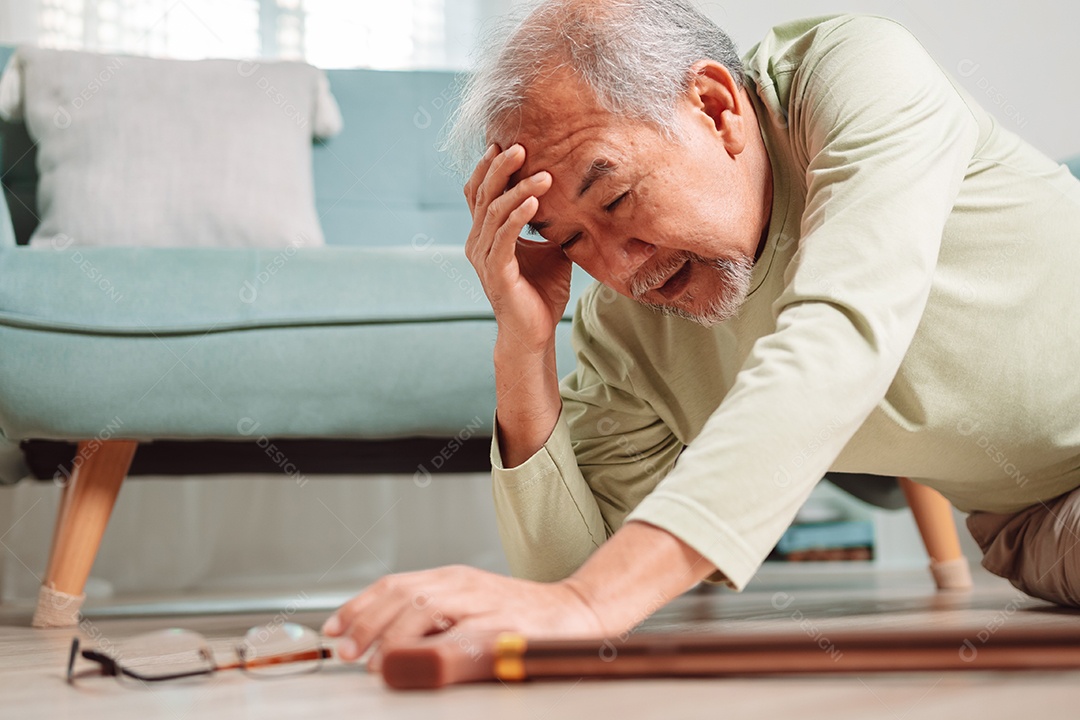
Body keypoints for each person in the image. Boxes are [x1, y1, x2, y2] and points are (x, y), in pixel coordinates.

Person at [322, 0, 1080, 666]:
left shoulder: (856, 75)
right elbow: (566, 584)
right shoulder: (629, 327)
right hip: (1043, 524)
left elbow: (840, 333)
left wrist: (592, 605)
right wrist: (524, 348)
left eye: (616, 197)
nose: (619, 268)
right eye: (572, 241)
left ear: (717, 106)